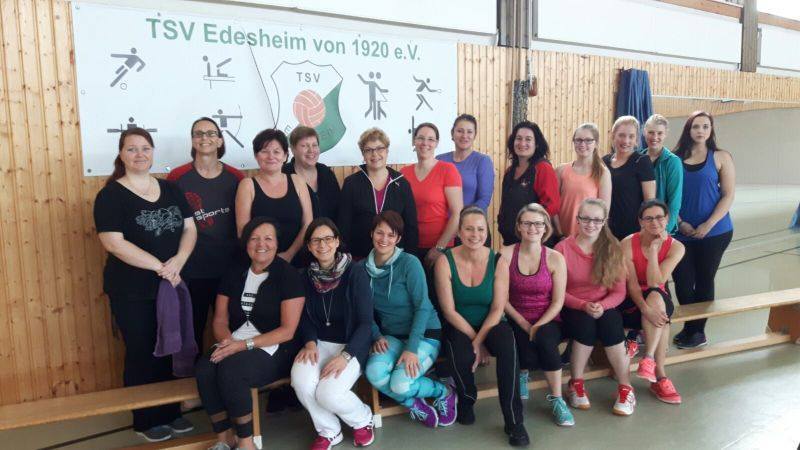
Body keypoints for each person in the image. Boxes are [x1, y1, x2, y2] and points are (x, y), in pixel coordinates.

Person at [94, 128, 197, 442]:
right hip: (132, 290)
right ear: (121, 154)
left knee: (170, 347)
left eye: (145, 148)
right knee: (142, 352)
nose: (139, 154)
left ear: (153, 152)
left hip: (171, 283)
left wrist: (179, 261)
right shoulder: (111, 195)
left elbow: (190, 229)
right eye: (132, 149)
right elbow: (113, 243)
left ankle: (170, 412)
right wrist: (160, 267)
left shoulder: (171, 189)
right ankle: (145, 419)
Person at [195, 217, 304, 450]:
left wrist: (242, 346)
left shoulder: (288, 275)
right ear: (246, 243)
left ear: (277, 243)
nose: (261, 244)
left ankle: (246, 441)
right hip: (235, 340)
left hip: (276, 347)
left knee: (232, 370)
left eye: (268, 238)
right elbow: (220, 319)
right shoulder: (234, 272)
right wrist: (227, 343)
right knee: (205, 368)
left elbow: (287, 331)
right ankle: (224, 438)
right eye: (254, 238)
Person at [435, 206, 528, 447]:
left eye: (480, 229)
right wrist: (474, 342)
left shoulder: (498, 261)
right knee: (461, 351)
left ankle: (514, 421)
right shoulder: (445, 261)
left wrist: (479, 342)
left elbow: (498, 308)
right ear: (459, 232)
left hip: (492, 322)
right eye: (469, 229)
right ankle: (467, 400)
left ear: (487, 231)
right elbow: (449, 311)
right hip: (459, 322)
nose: (475, 235)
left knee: (507, 344)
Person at [363, 211, 457, 428]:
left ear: (398, 238)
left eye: (391, 235)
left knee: (400, 384)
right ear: (371, 234)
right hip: (392, 336)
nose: (384, 239)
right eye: (380, 233)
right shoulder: (362, 270)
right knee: (373, 374)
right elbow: (363, 311)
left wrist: (412, 348)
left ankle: (444, 392)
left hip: (425, 334)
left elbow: (422, 307)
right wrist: (376, 335)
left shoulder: (409, 263)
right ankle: (412, 402)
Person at [291, 218, 375, 449]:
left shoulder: (355, 272)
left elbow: (366, 323)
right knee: (301, 380)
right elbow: (304, 317)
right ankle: (329, 431)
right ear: (309, 246)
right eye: (316, 240)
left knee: (327, 393)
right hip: (318, 343)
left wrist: (346, 355)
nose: (323, 245)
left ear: (337, 242)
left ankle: (362, 419)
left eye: (328, 239)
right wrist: (309, 343)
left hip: (351, 345)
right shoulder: (304, 277)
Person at [167, 117, 244, 352]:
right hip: (192, 269)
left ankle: (231, 369)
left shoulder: (236, 177)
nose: (204, 138)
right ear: (192, 141)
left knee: (233, 327)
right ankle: (192, 372)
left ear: (220, 140)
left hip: (230, 268)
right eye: (198, 133)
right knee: (193, 328)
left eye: (211, 133)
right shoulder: (177, 177)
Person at [554, 199, 634, 416]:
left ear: (604, 221)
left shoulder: (612, 248)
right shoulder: (562, 249)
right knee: (585, 326)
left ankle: (626, 387)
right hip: (572, 305)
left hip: (604, 305)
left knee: (612, 325)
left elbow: (619, 292)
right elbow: (558, 292)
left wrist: (602, 305)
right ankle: (576, 383)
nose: (591, 224)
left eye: (597, 220)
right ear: (578, 219)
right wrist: (582, 305)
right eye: (586, 219)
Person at [501, 203, 573, 427]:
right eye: (527, 223)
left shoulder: (555, 258)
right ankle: (523, 372)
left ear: (545, 227)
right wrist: (523, 323)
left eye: (538, 224)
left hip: (548, 317)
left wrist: (538, 325)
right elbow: (501, 298)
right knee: (521, 346)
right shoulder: (505, 254)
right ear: (519, 226)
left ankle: (557, 399)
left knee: (545, 341)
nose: (533, 228)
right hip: (515, 315)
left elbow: (558, 301)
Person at [671, 111, 735, 349]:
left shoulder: (721, 157)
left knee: (704, 279)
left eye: (705, 126)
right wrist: (680, 222)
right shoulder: (674, 158)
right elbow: (668, 195)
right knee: (683, 281)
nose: (700, 131)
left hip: (715, 232)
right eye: (696, 126)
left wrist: (708, 225)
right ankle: (690, 327)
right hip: (681, 232)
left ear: (711, 130)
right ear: (688, 130)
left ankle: (697, 332)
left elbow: (728, 195)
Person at [619, 200, 685, 405]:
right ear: (640, 222)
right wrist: (645, 309)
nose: (654, 222)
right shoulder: (627, 243)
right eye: (648, 218)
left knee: (657, 298)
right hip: (632, 300)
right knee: (660, 315)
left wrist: (655, 251)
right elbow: (632, 285)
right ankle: (660, 375)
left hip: (657, 297)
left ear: (667, 219)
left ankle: (648, 359)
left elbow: (655, 282)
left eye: (659, 217)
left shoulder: (677, 247)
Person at [235, 129, 313, 265]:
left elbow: (308, 223)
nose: (271, 156)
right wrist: (266, 258)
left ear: (285, 156)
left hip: (297, 260)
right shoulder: (247, 185)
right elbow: (243, 231)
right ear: (256, 156)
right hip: (259, 261)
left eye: (276, 152)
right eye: (264, 151)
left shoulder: (297, 181)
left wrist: (289, 254)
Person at [338, 128, 418, 259]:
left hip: (395, 258)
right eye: (368, 150)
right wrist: (346, 257)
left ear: (387, 151)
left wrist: (410, 259)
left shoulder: (402, 184)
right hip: (360, 257)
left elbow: (411, 226)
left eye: (380, 148)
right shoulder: (351, 184)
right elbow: (344, 225)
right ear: (363, 154)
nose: (374, 154)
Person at [401, 122, 464, 270]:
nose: (425, 143)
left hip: (440, 248)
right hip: (410, 247)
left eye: (430, 139)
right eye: (420, 138)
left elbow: (457, 213)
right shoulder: (404, 173)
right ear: (414, 141)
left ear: (436, 143)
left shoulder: (448, 170)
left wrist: (439, 248)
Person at [497, 121, 560, 246]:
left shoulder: (543, 168)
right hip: (511, 241)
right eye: (518, 138)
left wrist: (531, 228)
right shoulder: (509, 171)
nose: (522, 143)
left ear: (536, 144)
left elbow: (552, 206)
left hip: (535, 242)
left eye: (528, 139)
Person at [603, 116, 656, 240]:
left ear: (636, 139)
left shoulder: (642, 161)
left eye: (631, 136)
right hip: (607, 229)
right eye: (621, 135)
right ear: (613, 136)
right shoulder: (604, 161)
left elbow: (649, 201)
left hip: (633, 230)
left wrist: (646, 230)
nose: (626, 140)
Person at [555, 123, 612, 237]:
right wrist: (559, 233)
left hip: (587, 237)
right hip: (562, 236)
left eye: (588, 140)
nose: (582, 144)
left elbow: (604, 211)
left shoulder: (602, 173)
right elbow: (553, 206)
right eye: (578, 140)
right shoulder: (561, 170)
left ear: (596, 143)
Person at [436, 114, 495, 214]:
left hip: (470, 221)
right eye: (460, 131)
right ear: (452, 133)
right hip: (441, 220)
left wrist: (463, 218)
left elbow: (484, 200)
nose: (464, 136)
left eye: (469, 132)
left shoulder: (483, 161)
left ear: (474, 135)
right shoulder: (440, 160)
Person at [282, 126, 341, 220]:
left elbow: (339, 209)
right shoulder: (283, 174)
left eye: (314, 145)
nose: (311, 150)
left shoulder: (326, 172)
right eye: (304, 146)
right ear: (293, 149)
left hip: (328, 229)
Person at [640, 114, 683, 234]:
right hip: (640, 226)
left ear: (665, 134)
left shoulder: (673, 162)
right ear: (644, 132)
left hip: (661, 228)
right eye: (651, 132)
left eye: (659, 133)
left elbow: (674, 202)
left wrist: (665, 231)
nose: (655, 137)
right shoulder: (637, 158)